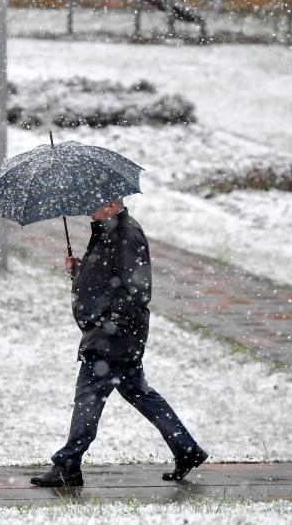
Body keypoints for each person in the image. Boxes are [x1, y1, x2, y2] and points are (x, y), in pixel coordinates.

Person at [31, 198, 208, 488]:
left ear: (112, 203)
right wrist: (79, 270)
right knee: (141, 395)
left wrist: (109, 323)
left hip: (112, 337)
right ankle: (187, 450)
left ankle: (68, 465)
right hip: (114, 335)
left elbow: (137, 290)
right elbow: (106, 277)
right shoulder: (108, 230)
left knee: (88, 399)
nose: (88, 208)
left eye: (93, 204)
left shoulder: (126, 235)